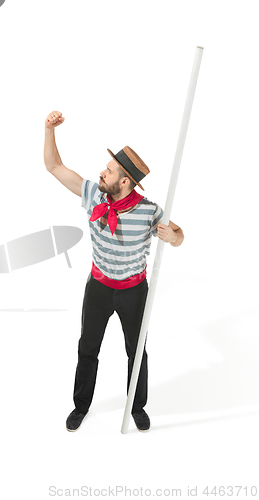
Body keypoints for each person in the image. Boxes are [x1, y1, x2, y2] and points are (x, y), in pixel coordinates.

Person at [43, 110, 184, 432]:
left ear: (124, 181)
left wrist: (172, 235)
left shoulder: (150, 211)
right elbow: (54, 167)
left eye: (107, 171)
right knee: (87, 348)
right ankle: (81, 406)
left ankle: (137, 406)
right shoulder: (94, 195)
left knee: (136, 351)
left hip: (134, 292)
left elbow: (179, 236)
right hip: (98, 287)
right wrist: (49, 129)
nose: (100, 174)